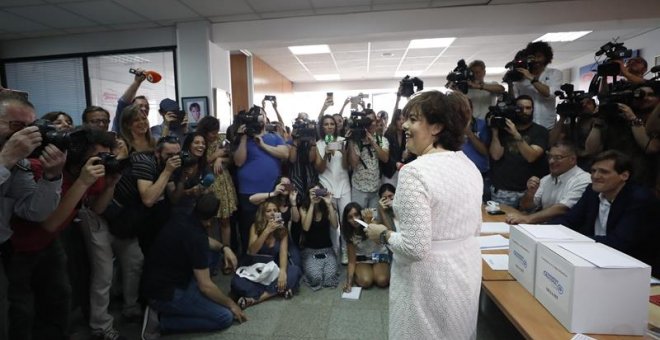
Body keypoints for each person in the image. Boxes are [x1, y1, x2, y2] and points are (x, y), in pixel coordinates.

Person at [365, 90, 483, 339]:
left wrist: (383, 233)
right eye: (405, 118)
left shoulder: (415, 172)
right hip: (465, 271)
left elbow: (415, 247)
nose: (404, 125)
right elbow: (474, 226)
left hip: (428, 281)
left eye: (414, 119)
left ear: (437, 127)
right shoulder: (468, 165)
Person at [9, 127, 114, 340]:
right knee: (22, 311)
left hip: (50, 244)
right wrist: (83, 181)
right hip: (18, 249)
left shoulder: (91, 171)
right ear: (78, 154)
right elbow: (49, 222)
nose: (102, 161)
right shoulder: (46, 170)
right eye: (98, 156)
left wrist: (112, 183)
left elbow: (98, 208)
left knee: (60, 300)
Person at [0, 93, 64, 340]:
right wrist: (4, 159)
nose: (24, 135)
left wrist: (51, 177)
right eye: (16, 126)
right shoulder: (10, 159)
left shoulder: (21, 164)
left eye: (30, 128)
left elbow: (35, 212)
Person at [141, 193, 244, 338]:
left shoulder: (183, 215)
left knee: (214, 253)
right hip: (165, 293)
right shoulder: (197, 239)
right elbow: (205, 286)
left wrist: (224, 248)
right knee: (224, 316)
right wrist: (231, 304)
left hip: (159, 278)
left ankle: (188, 301)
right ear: (211, 219)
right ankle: (160, 321)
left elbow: (205, 241)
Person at [555, 150, 658, 275]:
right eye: (593, 171)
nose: (595, 176)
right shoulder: (592, 191)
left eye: (604, 172)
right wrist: (549, 234)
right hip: (596, 258)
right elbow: (569, 220)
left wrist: (571, 241)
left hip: (635, 269)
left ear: (624, 176)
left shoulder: (639, 199)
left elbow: (619, 243)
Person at [233, 107, 289, 254]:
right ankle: (248, 256)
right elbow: (238, 162)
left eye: (260, 115)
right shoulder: (243, 139)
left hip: (271, 190)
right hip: (248, 191)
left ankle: (273, 255)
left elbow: (284, 153)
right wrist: (244, 137)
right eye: (254, 116)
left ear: (265, 118)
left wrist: (263, 145)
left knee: (273, 224)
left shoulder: (274, 136)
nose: (257, 118)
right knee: (248, 227)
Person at [230, 200, 302, 309]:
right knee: (236, 283)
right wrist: (267, 231)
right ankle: (276, 291)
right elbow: (251, 251)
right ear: (262, 214)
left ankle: (253, 299)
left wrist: (282, 272)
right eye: (268, 211)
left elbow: (283, 252)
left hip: (273, 270)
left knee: (294, 271)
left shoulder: (282, 230)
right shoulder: (255, 227)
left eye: (275, 210)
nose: (272, 213)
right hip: (256, 270)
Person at [506, 142, 591, 224]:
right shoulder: (546, 179)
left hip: (568, 231)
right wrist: (531, 192)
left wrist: (528, 219)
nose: (551, 161)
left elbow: (563, 209)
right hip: (544, 227)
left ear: (572, 159)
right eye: (550, 157)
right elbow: (526, 207)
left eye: (558, 157)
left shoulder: (584, 180)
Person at [489, 95, 549, 208]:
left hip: (529, 191)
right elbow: (496, 156)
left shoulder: (540, 131)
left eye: (528, 108)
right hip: (503, 190)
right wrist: (495, 132)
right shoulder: (503, 129)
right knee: (499, 224)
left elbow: (531, 156)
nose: (524, 111)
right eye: (520, 108)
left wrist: (516, 134)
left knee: (529, 224)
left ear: (532, 110)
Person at [196, 116, 238, 271]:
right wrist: (216, 156)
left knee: (225, 221)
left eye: (215, 131)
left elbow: (232, 158)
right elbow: (198, 162)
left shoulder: (222, 139)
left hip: (223, 182)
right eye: (211, 132)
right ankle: (210, 259)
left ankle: (226, 256)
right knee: (207, 223)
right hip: (207, 184)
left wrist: (221, 159)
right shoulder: (199, 140)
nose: (214, 135)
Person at [313, 114, 350, 262]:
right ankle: (334, 250)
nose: (329, 127)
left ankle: (345, 250)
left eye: (332, 124)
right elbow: (320, 169)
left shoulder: (343, 141)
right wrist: (325, 154)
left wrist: (343, 152)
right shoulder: (319, 144)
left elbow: (347, 166)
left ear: (336, 126)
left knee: (346, 219)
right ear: (322, 127)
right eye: (326, 124)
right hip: (327, 186)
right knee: (332, 221)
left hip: (344, 185)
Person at [512, 41, 563, 129]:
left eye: (539, 56)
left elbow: (550, 94)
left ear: (546, 57)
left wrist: (532, 79)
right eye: (532, 57)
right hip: (526, 124)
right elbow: (515, 100)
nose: (535, 60)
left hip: (547, 124)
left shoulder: (554, 73)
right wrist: (510, 82)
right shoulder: (521, 78)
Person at [342, 203, 390, 293]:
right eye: (350, 217)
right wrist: (349, 282)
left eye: (356, 215)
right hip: (363, 260)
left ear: (361, 214)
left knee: (382, 280)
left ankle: (378, 271)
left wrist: (370, 224)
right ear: (347, 220)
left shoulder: (372, 222)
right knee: (365, 281)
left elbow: (381, 240)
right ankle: (362, 273)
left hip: (379, 256)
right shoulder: (350, 233)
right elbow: (351, 261)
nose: (354, 219)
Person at [346, 110, 389, 209]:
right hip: (359, 187)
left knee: (373, 219)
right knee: (359, 220)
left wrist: (373, 142)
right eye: (366, 121)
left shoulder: (381, 140)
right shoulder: (356, 140)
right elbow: (353, 164)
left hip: (375, 188)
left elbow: (385, 158)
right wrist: (352, 141)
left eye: (372, 121)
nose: (369, 124)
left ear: (376, 122)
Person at [299, 186, 339, 290]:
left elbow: (335, 225)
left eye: (319, 191)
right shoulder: (303, 208)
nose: (317, 194)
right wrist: (312, 204)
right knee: (316, 278)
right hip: (310, 250)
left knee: (330, 277)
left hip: (327, 249)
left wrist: (329, 204)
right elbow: (306, 228)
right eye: (314, 192)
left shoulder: (327, 207)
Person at [112, 68, 150, 135]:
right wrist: (137, 82)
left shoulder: (147, 132)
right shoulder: (123, 122)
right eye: (140, 106)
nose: (144, 108)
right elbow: (123, 103)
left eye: (147, 107)